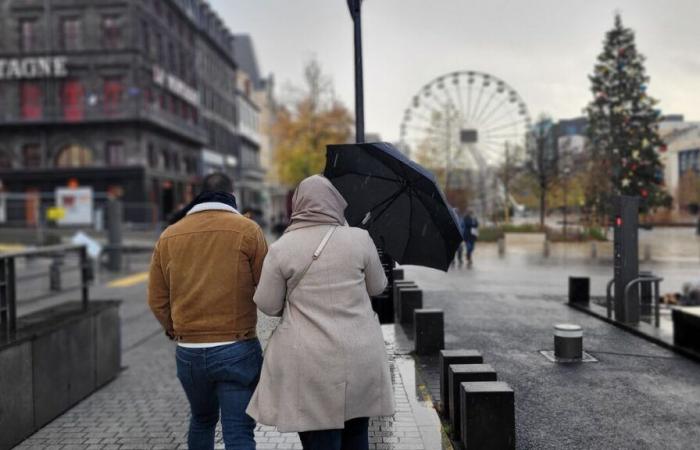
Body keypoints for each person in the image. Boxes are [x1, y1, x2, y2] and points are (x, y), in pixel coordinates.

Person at [246, 175, 395, 450]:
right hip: (360, 355)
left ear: (297, 205)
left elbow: (267, 303)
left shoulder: (282, 248)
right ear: (336, 202)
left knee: (320, 440)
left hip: (308, 363)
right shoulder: (360, 238)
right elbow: (378, 287)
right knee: (356, 434)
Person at [147, 172, 268, 450]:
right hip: (237, 346)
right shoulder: (248, 230)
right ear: (232, 193)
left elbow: (156, 297)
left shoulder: (170, 235)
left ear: (199, 194)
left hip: (189, 351)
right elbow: (266, 286)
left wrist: (175, 329)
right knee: (238, 430)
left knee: (201, 420)